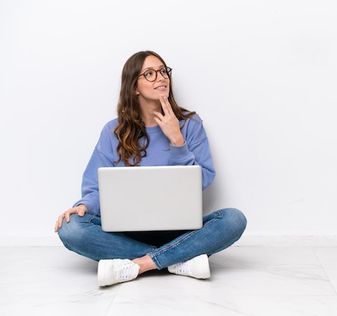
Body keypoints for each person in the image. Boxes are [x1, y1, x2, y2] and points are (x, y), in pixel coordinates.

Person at [54, 50, 247, 287]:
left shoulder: (190, 125)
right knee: (71, 229)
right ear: (134, 86)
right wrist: (83, 206)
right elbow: (95, 187)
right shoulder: (113, 132)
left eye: (163, 71)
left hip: (180, 229)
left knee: (233, 219)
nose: (161, 78)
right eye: (150, 74)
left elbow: (204, 179)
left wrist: (177, 140)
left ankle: (139, 264)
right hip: (126, 231)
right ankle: (179, 259)